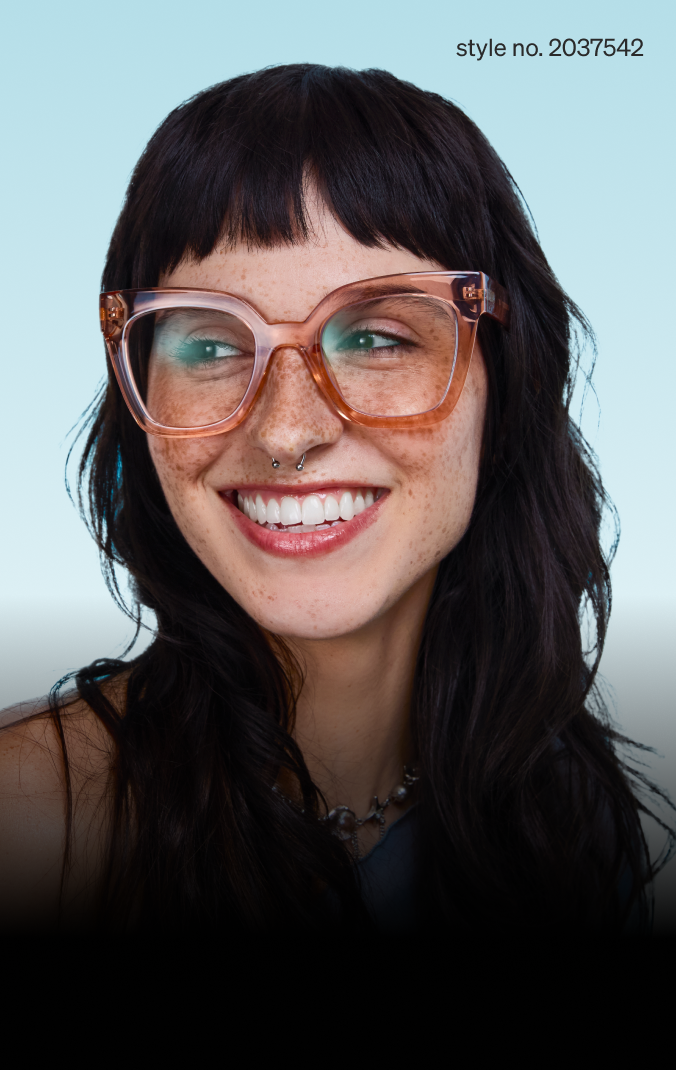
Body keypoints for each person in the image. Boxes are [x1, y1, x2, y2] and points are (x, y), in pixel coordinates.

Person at [0, 64, 667, 936]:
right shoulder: (27, 828)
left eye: (378, 337)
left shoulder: (572, 818)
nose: (287, 432)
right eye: (210, 346)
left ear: (504, 388)